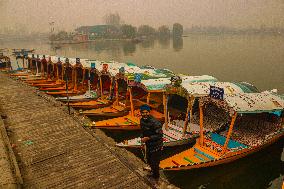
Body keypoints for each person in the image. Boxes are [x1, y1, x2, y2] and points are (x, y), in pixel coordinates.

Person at [140, 104, 163, 181]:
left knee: (155, 163)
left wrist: (148, 138)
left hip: (156, 146)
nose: (145, 114)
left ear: (149, 112)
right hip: (148, 145)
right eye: (143, 112)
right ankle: (152, 172)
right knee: (149, 160)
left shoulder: (155, 123)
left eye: (146, 112)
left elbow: (160, 135)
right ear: (141, 113)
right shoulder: (142, 120)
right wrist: (142, 138)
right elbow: (143, 131)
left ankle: (156, 178)